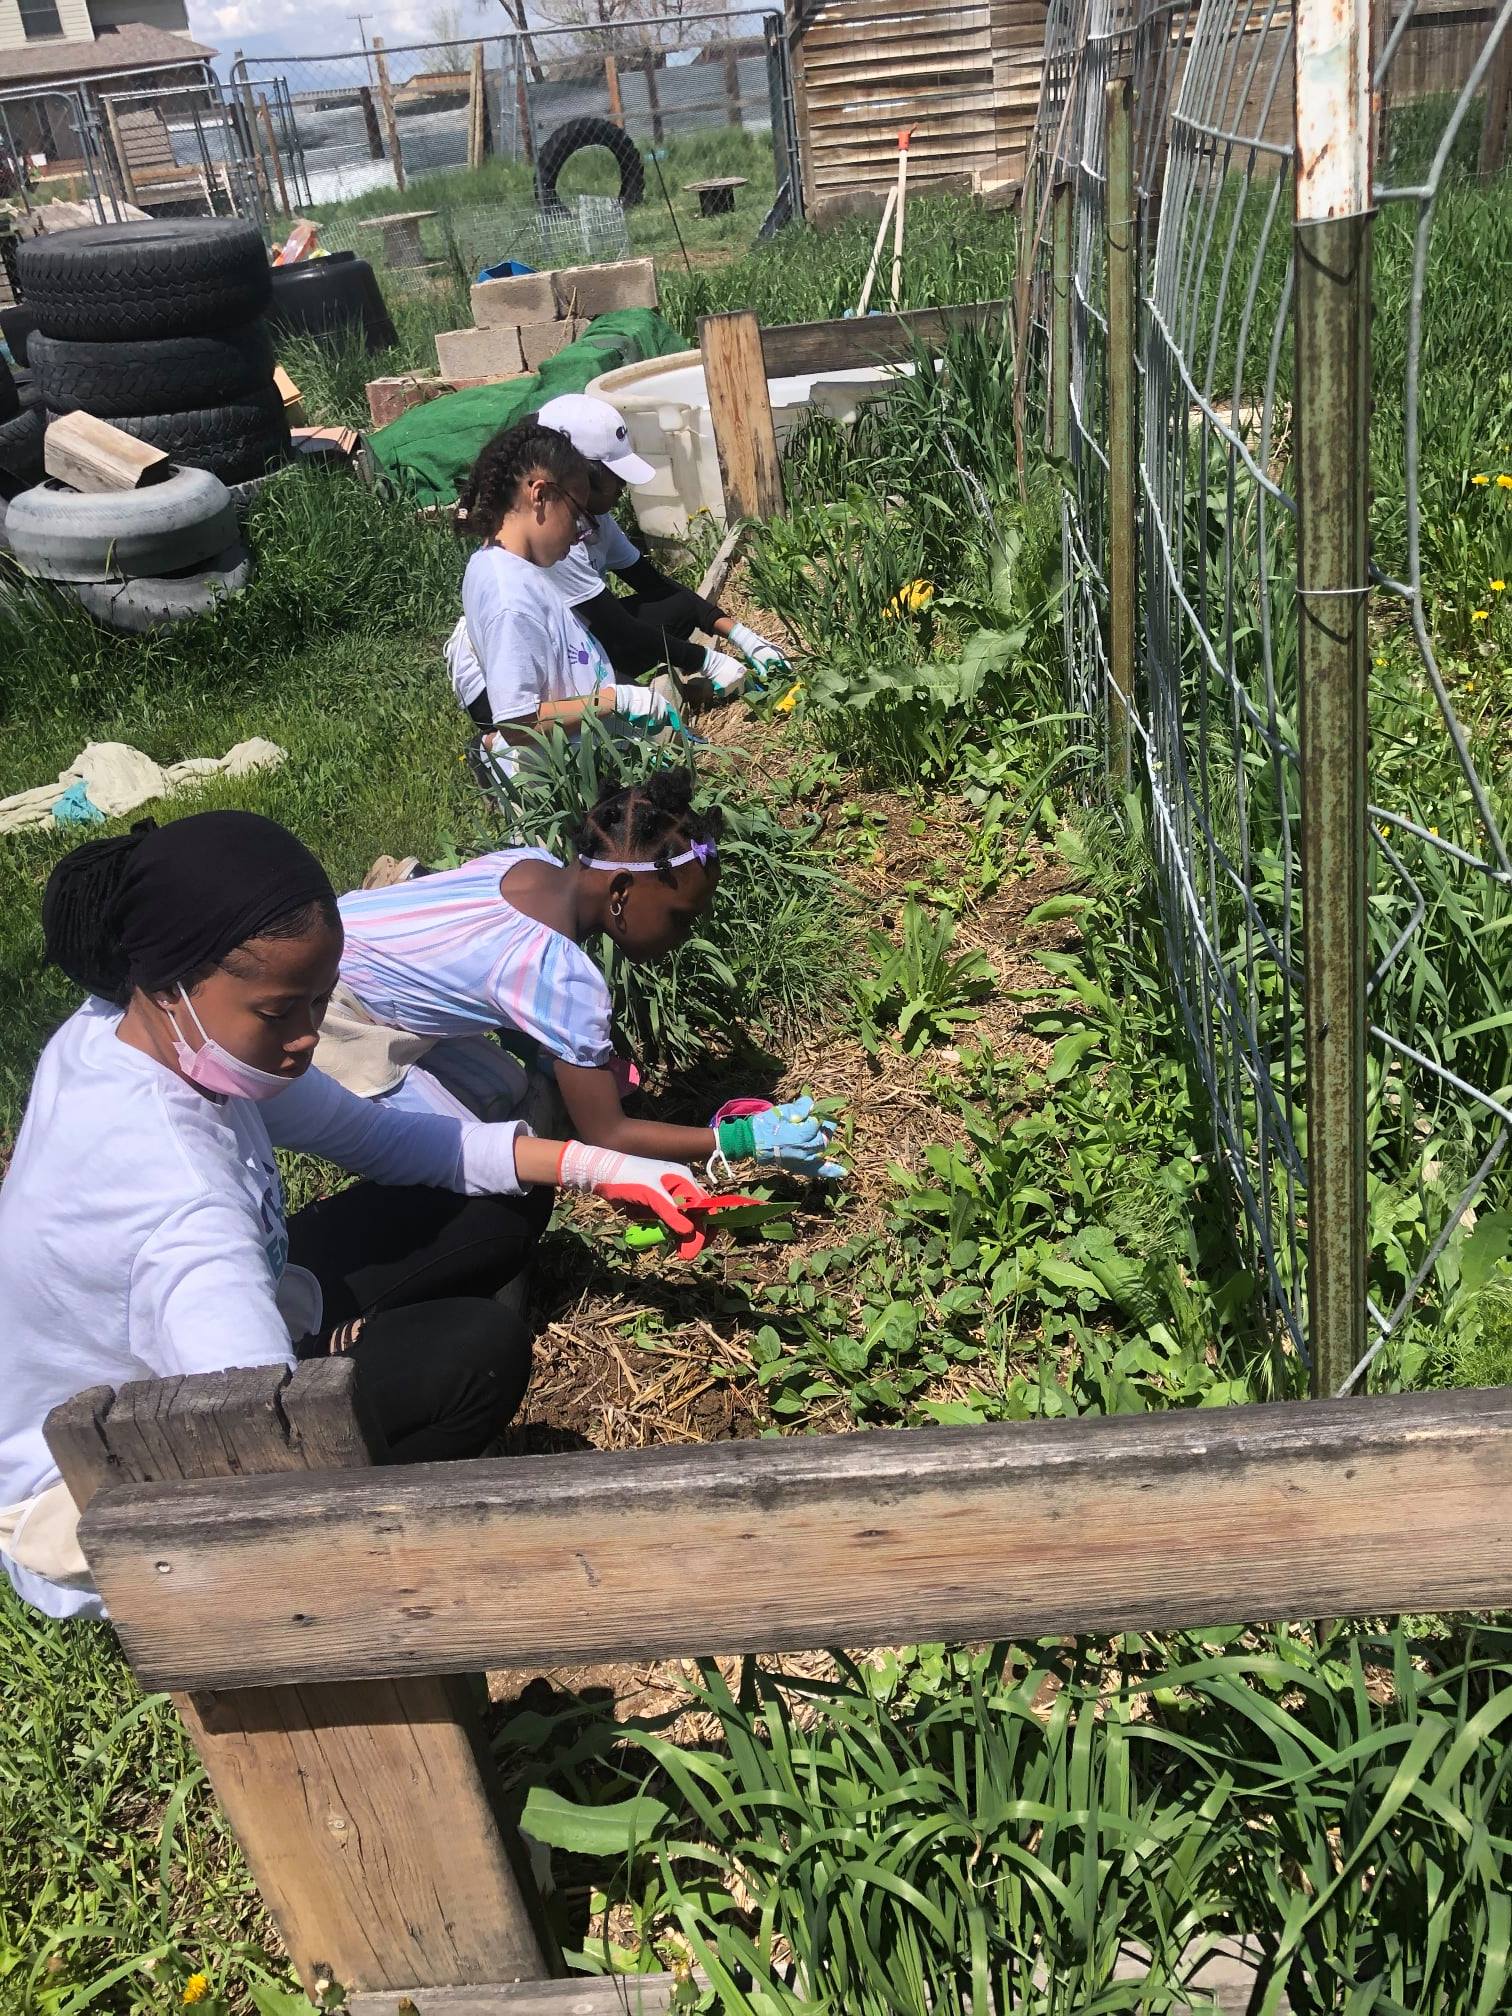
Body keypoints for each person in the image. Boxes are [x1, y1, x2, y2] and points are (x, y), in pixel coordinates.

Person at [0, 811, 706, 1622]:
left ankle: (337, 1356)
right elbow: (266, 1453)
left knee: (494, 1211)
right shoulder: (182, 1206)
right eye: (280, 1012)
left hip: (198, 1332)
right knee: (474, 1357)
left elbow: (385, 1139)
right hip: (106, 1476)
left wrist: (600, 1167)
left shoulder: (142, 1032)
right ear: (169, 987)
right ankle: (393, 1557)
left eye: (321, 1000)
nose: (307, 1037)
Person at [317, 770, 843, 1184]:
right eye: (681, 918)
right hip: (322, 1008)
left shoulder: (527, 863)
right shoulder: (563, 977)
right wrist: (742, 1141)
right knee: (472, 1172)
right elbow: (609, 1136)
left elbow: (487, 967)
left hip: (342, 940)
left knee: (506, 1092)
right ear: (620, 892)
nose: (685, 936)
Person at [446, 395, 791, 711]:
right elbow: (616, 627)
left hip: (564, 645)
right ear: (573, 476)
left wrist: (740, 634)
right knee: (624, 717)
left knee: (676, 614)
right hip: (504, 683)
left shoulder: (577, 523)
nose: (623, 489)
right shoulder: (545, 545)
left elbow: (652, 584)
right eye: (615, 478)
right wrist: (701, 660)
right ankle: (487, 742)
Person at [447, 420, 677, 779]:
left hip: (582, 756)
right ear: (540, 495)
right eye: (576, 514)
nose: (579, 534)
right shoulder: (510, 597)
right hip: (565, 779)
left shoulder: (501, 563)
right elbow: (517, 722)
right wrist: (616, 701)